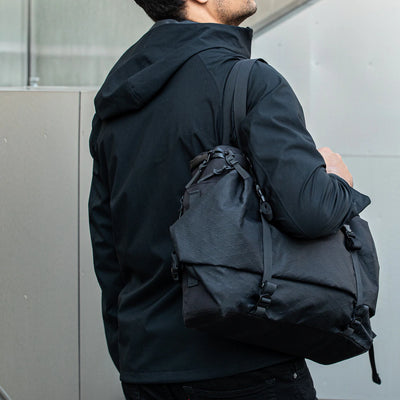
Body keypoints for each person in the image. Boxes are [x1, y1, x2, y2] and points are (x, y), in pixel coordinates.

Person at [88, 0, 370, 399]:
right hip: (247, 365)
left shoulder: (115, 103)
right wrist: (336, 179)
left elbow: (108, 249)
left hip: (147, 370)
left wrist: (134, 357)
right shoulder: (250, 81)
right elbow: (309, 212)